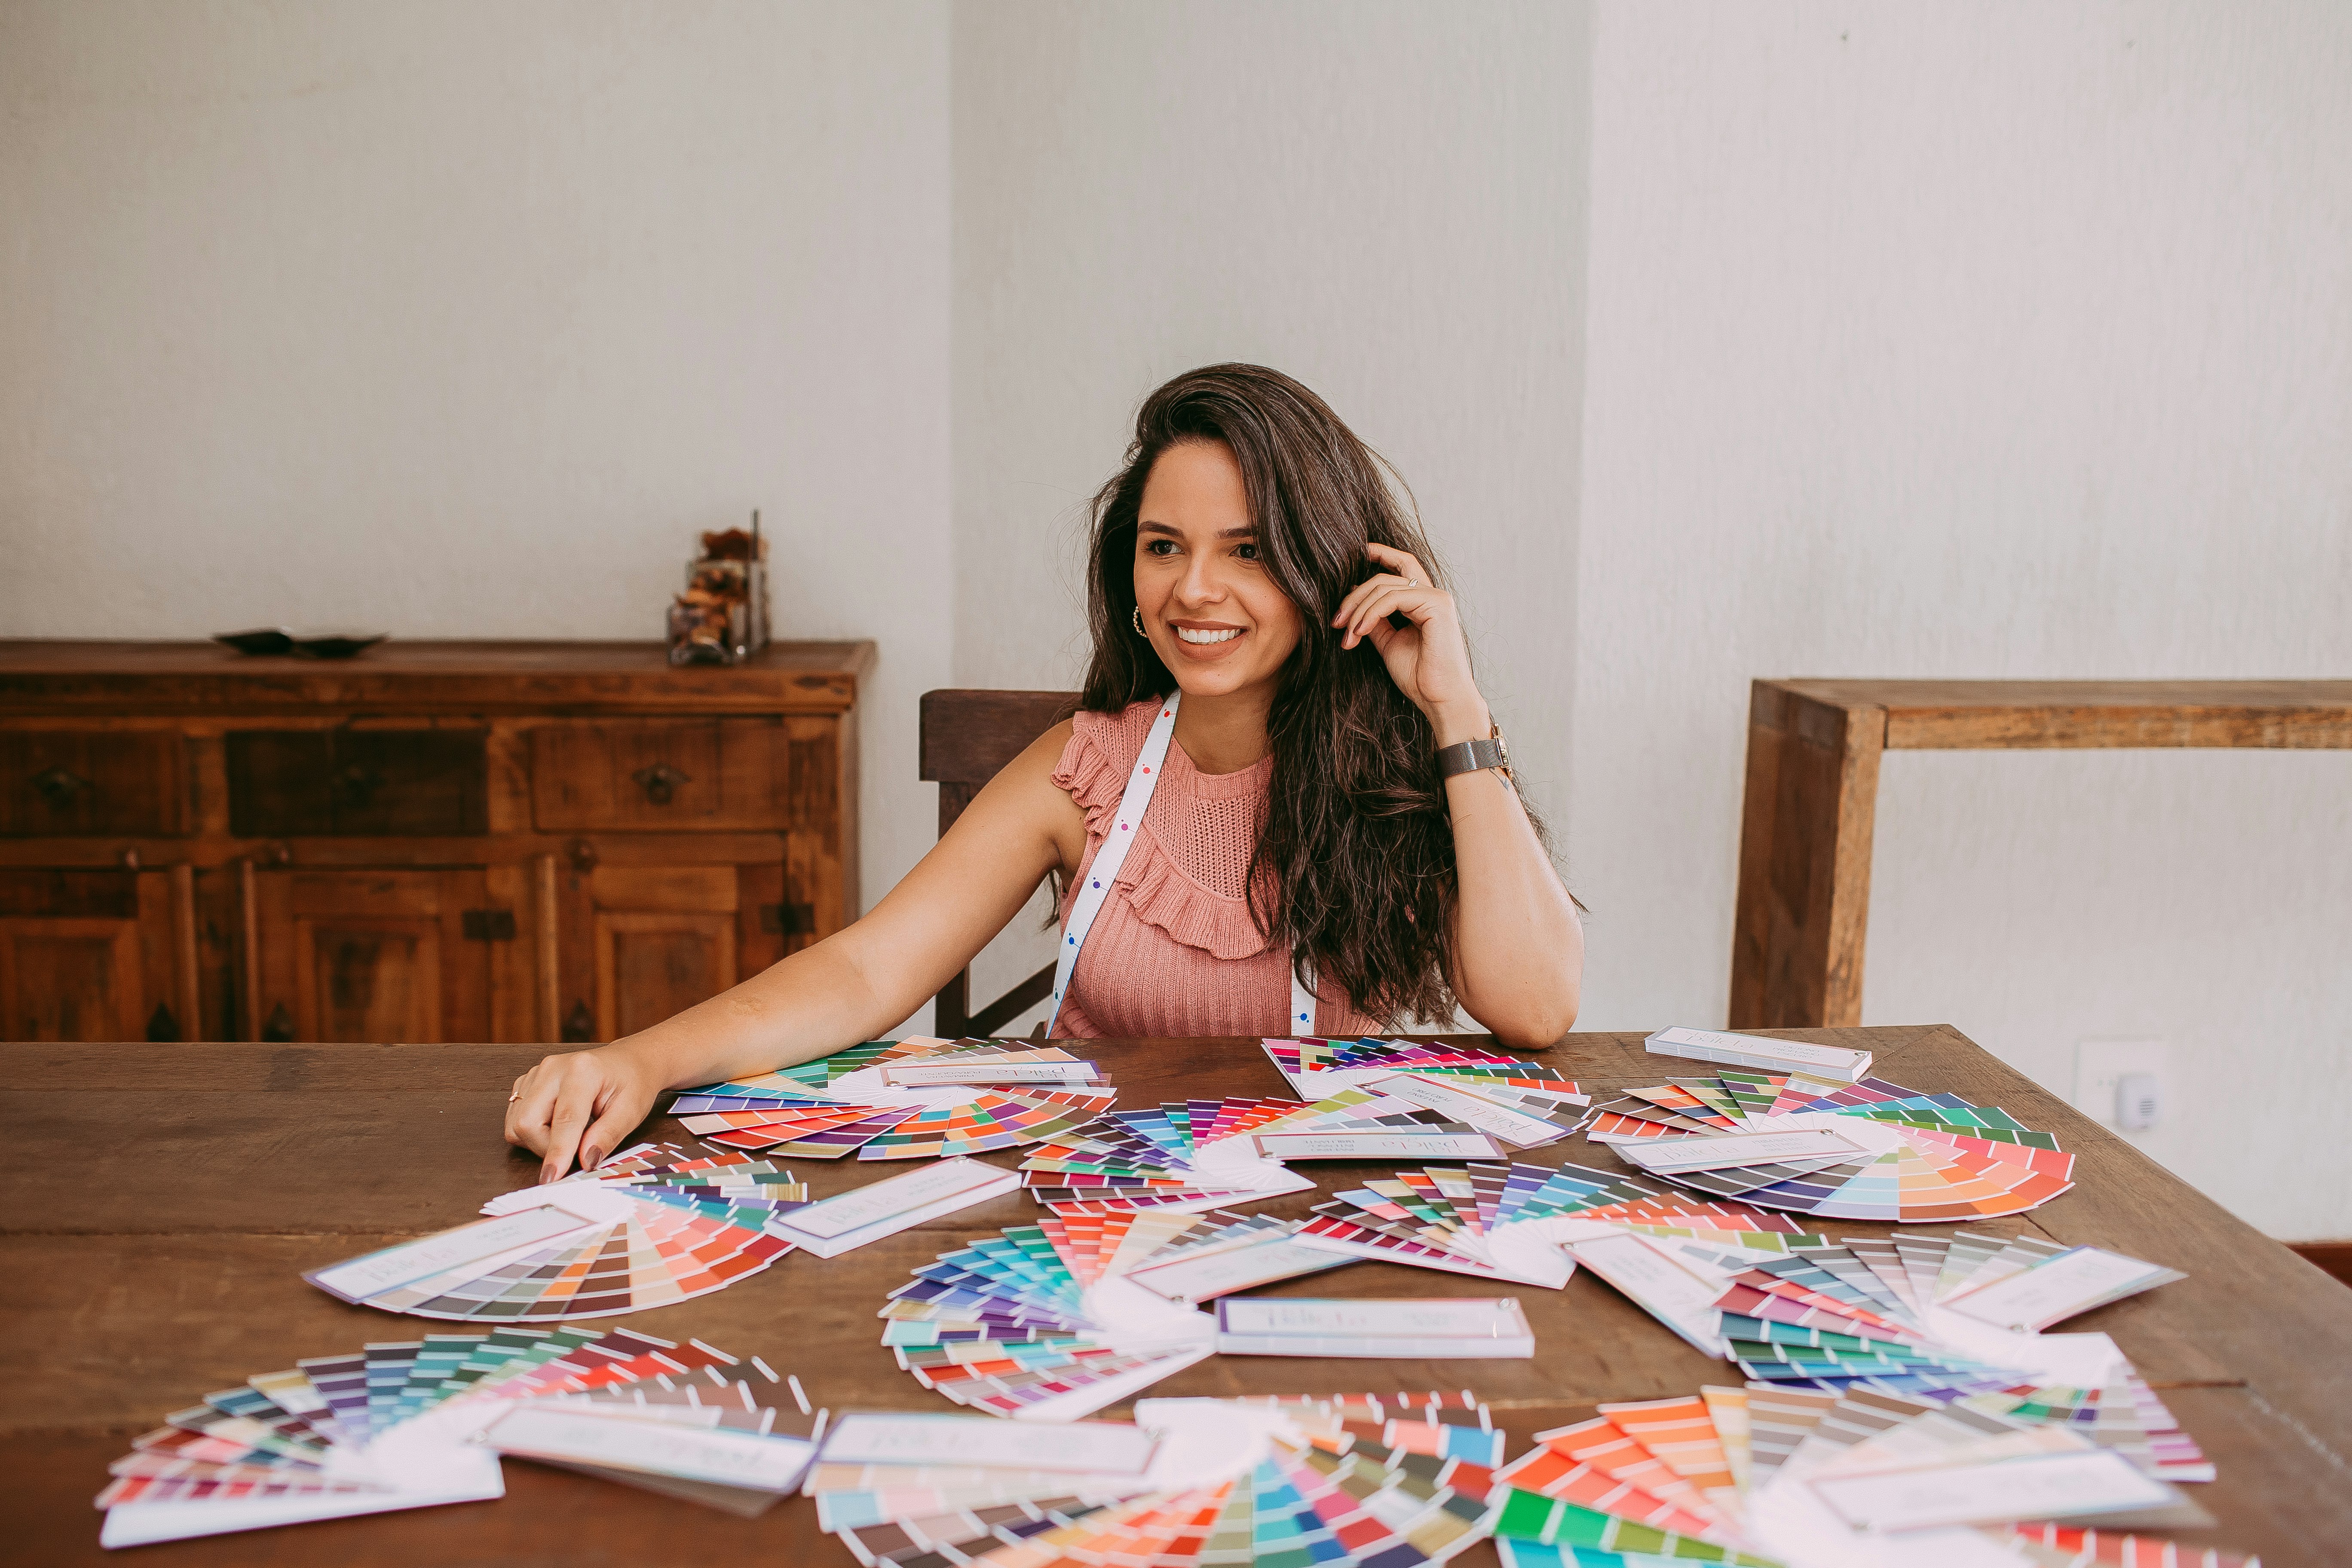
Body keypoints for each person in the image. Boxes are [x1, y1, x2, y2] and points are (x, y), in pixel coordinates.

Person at [506, 364, 1583, 1180]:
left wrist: (1455, 707)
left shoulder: (1399, 769)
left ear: (1323, 567)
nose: (1195, 590)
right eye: (1164, 547)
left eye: (1247, 550)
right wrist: (641, 1061)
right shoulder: (1083, 768)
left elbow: (1534, 1009)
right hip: (1079, 1202)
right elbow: (869, 973)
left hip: (1309, 1211)